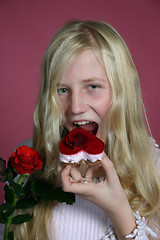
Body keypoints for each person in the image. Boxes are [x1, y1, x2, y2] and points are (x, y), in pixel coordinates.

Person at [4, 20, 160, 239]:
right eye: (63, 90)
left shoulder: (153, 167)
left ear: (121, 93)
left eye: (93, 86)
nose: (75, 108)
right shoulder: (29, 158)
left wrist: (118, 210)